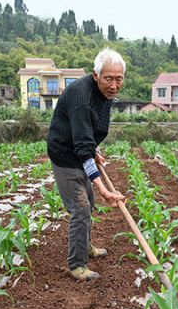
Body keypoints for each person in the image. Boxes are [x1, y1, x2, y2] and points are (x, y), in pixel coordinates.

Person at [47, 48, 126, 281]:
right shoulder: (82, 99)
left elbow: (87, 134)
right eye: (108, 78)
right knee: (80, 209)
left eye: (118, 79)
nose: (113, 85)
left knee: (89, 203)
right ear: (95, 76)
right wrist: (104, 190)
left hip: (80, 150)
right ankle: (77, 265)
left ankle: (86, 245)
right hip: (65, 155)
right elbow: (81, 146)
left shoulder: (104, 95)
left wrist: (94, 150)